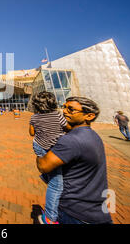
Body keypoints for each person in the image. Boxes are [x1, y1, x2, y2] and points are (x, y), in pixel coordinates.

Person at [36, 97, 113, 224]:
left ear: (89, 116)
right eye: (64, 107)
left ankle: (48, 219)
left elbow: (43, 166)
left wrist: (39, 150)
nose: (64, 111)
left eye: (71, 109)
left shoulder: (71, 140)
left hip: (73, 212)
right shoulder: (94, 136)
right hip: (96, 211)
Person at [28, 92, 69, 224]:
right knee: (56, 185)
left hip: (39, 147)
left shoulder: (34, 118)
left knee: (52, 174)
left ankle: (46, 176)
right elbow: (68, 128)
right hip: (54, 149)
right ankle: (49, 218)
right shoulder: (58, 115)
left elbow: (31, 132)